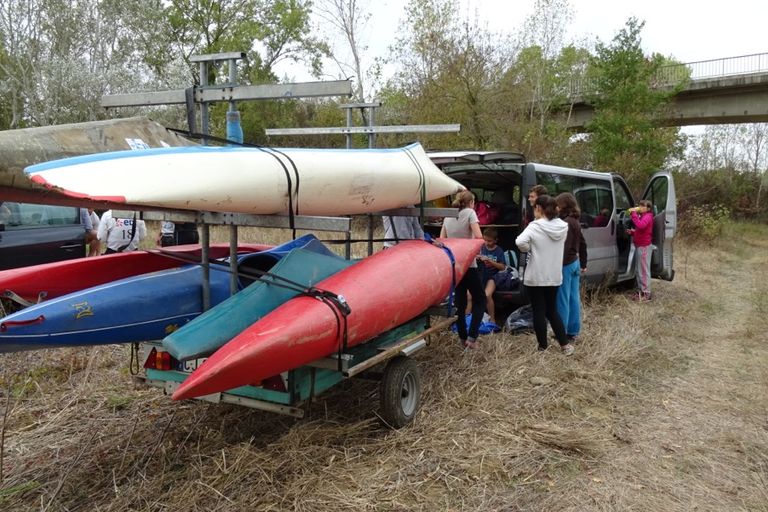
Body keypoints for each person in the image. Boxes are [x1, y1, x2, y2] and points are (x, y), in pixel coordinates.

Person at [515, 195, 573, 355]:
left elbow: (520, 242)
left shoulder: (534, 226)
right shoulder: (563, 226)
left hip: (535, 276)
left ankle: (542, 347)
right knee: (552, 310)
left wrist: (528, 249)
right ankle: (565, 345)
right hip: (554, 275)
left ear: (539, 208)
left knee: (539, 311)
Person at [440, 190, 486, 350]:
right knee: (480, 300)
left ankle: (462, 337)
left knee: (460, 303)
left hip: (455, 266)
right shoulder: (470, 213)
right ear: (471, 202)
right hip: (469, 264)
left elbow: (442, 240)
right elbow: (479, 236)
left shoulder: (448, 216)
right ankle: (472, 338)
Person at [555, 193, 587, 342]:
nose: (556, 207)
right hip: (575, 263)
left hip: (566, 264)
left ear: (564, 206)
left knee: (562, 299)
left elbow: (565, 248)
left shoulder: (566, 222)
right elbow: (583, 243)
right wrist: (584, 263)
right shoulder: (575, 221)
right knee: (574, 298)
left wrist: (557, 264)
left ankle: (562, 331)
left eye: (558, 205)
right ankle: (573, 331)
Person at [477, 227, 506, 326]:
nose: (486, 243)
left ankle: (492, 320)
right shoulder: (481, 248)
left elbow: (502, 267)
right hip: (481, 274)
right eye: (485, 240)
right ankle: (471, 318)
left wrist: (489, 261)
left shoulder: (499, 251)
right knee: (471, 295)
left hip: (493, 276)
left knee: (487, 295)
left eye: (489, 241)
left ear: (495, 240)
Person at [629, 199, 654, 301]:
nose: (640, 207)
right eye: (640, 205)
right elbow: (641, 230)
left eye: (643, 206)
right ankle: (641, 291)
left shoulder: (648, 216)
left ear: (648, 208)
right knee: (639, 270)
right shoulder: (642, 216)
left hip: (644, 246)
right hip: (639, 245)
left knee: (643, 270)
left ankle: (646, 293)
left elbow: (641, 225)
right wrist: (632, 233)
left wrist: (634, 213)